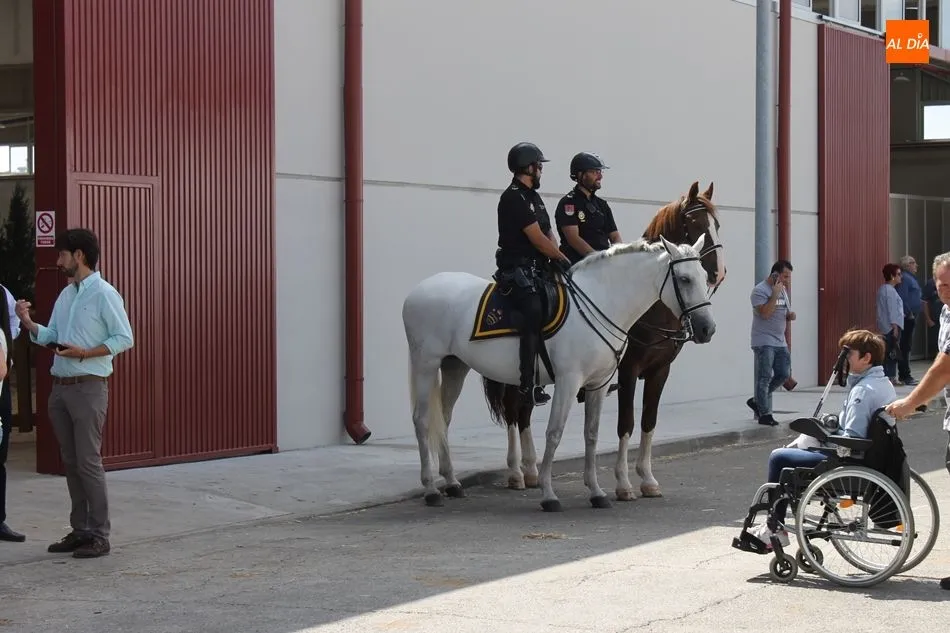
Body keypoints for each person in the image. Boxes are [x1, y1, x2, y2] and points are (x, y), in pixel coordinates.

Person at [15, 228, 134, 558]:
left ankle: (99, 534)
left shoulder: (105, 294)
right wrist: (28, 322)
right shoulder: (67, 294)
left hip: (88, 388)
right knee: (71, 461)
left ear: (78, 256)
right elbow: (53, 335)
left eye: (62, 255)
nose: (58, 261)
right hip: (61, 390)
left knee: (88, 462)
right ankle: (80, 530)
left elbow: (124, 338)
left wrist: (85, 353)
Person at [750, 329, 896, 547]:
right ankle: (776, 523)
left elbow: (852, 438)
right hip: (872, 458)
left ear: (866, 358)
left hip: (850, 462)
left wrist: (825, 438)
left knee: (779, 457)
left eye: (849, 354)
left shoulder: (863, 391)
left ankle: (775, 526)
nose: (844, 359)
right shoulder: (883, 383)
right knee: (802, 444)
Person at [886, 251, 950, 590]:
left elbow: (944, 368)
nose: (947, 290)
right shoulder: (946, 311)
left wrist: (910, 403)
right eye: (942, 285)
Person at [494, 142, 572, 407]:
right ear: (528, 167)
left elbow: (548, 233)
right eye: (539, 165)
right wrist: (560, 258)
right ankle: (528, 383)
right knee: (533, 309)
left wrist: (558, 255)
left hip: (539, 268)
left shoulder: (534, 198)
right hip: (516, 269)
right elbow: (536, 237)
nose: (541, 170)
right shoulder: (513, 197)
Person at [548, 151, 622, 402]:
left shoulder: (602, 206)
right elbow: (572, 238)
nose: (599, 176)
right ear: (579, 175)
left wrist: (620, 257)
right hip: (576, 268)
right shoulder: (569, 203)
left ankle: (604, 370)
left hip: (603, 269)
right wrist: (597, 258)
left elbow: (615, 237)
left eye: (600, 172)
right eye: (594, 171)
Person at [747, 260, 796, 427]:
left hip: (780, 341)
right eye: (785, 276)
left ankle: (757, 400)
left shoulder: (783, 290)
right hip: (764, 341)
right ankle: (765, 414)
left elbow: (781, 311)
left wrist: (789, 316)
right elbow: (765, 314)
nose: (787, 280)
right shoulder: (759, 291)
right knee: (765, 377)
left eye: (789, 277)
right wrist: (774, 294)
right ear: (775, 275)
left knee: (783, 374)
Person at [0, 293, 24, 542]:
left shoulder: (2, 293)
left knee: (0, 455)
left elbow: (11, 328)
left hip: (0, 387)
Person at [895, 255, 922, 385]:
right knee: (905, 346)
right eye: (913, 263)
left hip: (911, 316)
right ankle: (905, 375)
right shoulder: (905, 278)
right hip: (907, 317)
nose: (916, 265)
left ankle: (905, 374)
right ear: (908, 265)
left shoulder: (911, 278)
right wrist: (908, 312)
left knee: (907, 345)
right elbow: (902, 297)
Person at [877, 263, 904, 384]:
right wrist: (895, 326)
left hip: (884, 325)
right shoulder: (889, 291)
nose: (900, 277)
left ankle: (888, 375)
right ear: (892, 276)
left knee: (888, 351)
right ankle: (891, 376)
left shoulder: (884, 289)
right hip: (890, 326)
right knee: (892, 351)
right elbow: (892, 309)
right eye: (898, 274)